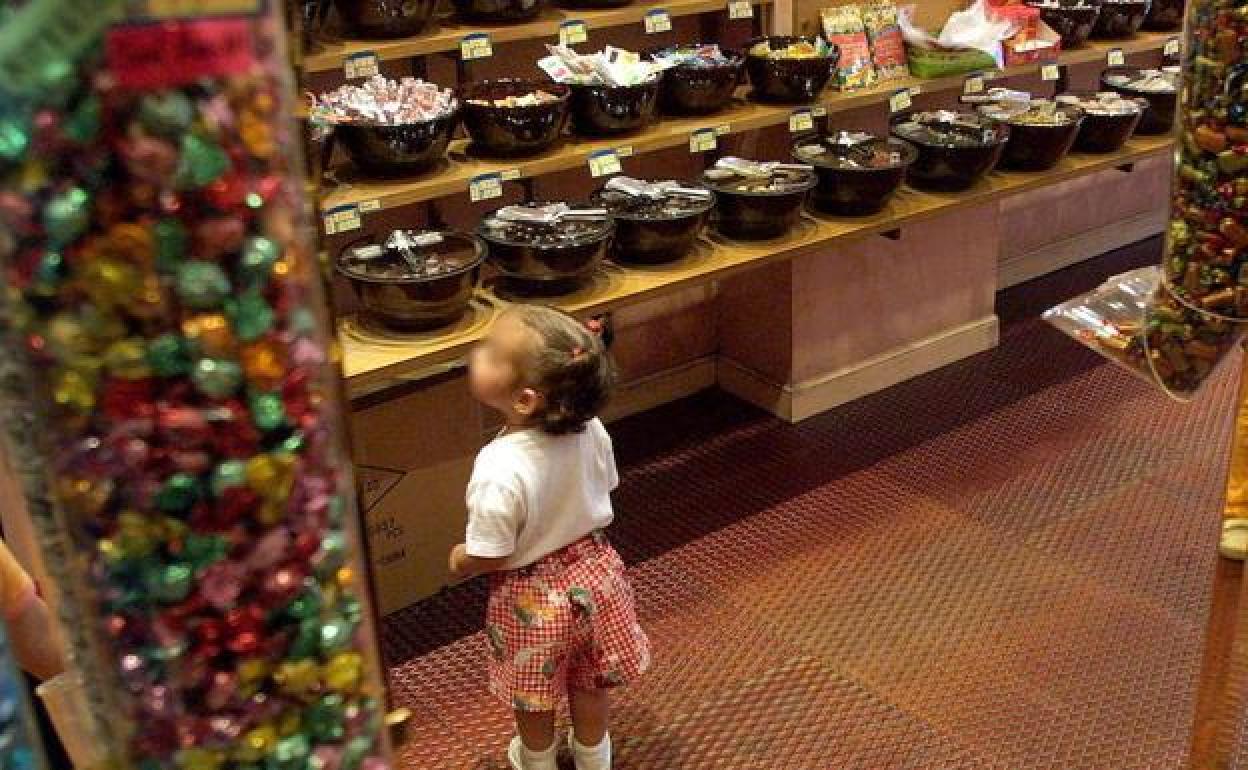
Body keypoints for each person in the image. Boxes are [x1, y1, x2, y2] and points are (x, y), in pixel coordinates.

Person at [448, 305, 650, 770]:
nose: (477, 353)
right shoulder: (592, 429)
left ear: (523, 400)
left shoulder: (499, 465)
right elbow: (607, 484)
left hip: (531, 598)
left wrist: (460, 559)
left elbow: (490, 552)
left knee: (533, 693)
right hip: (598, 575)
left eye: (490, 353)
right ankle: (593, 755)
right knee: (589, 678)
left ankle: (536, 760)